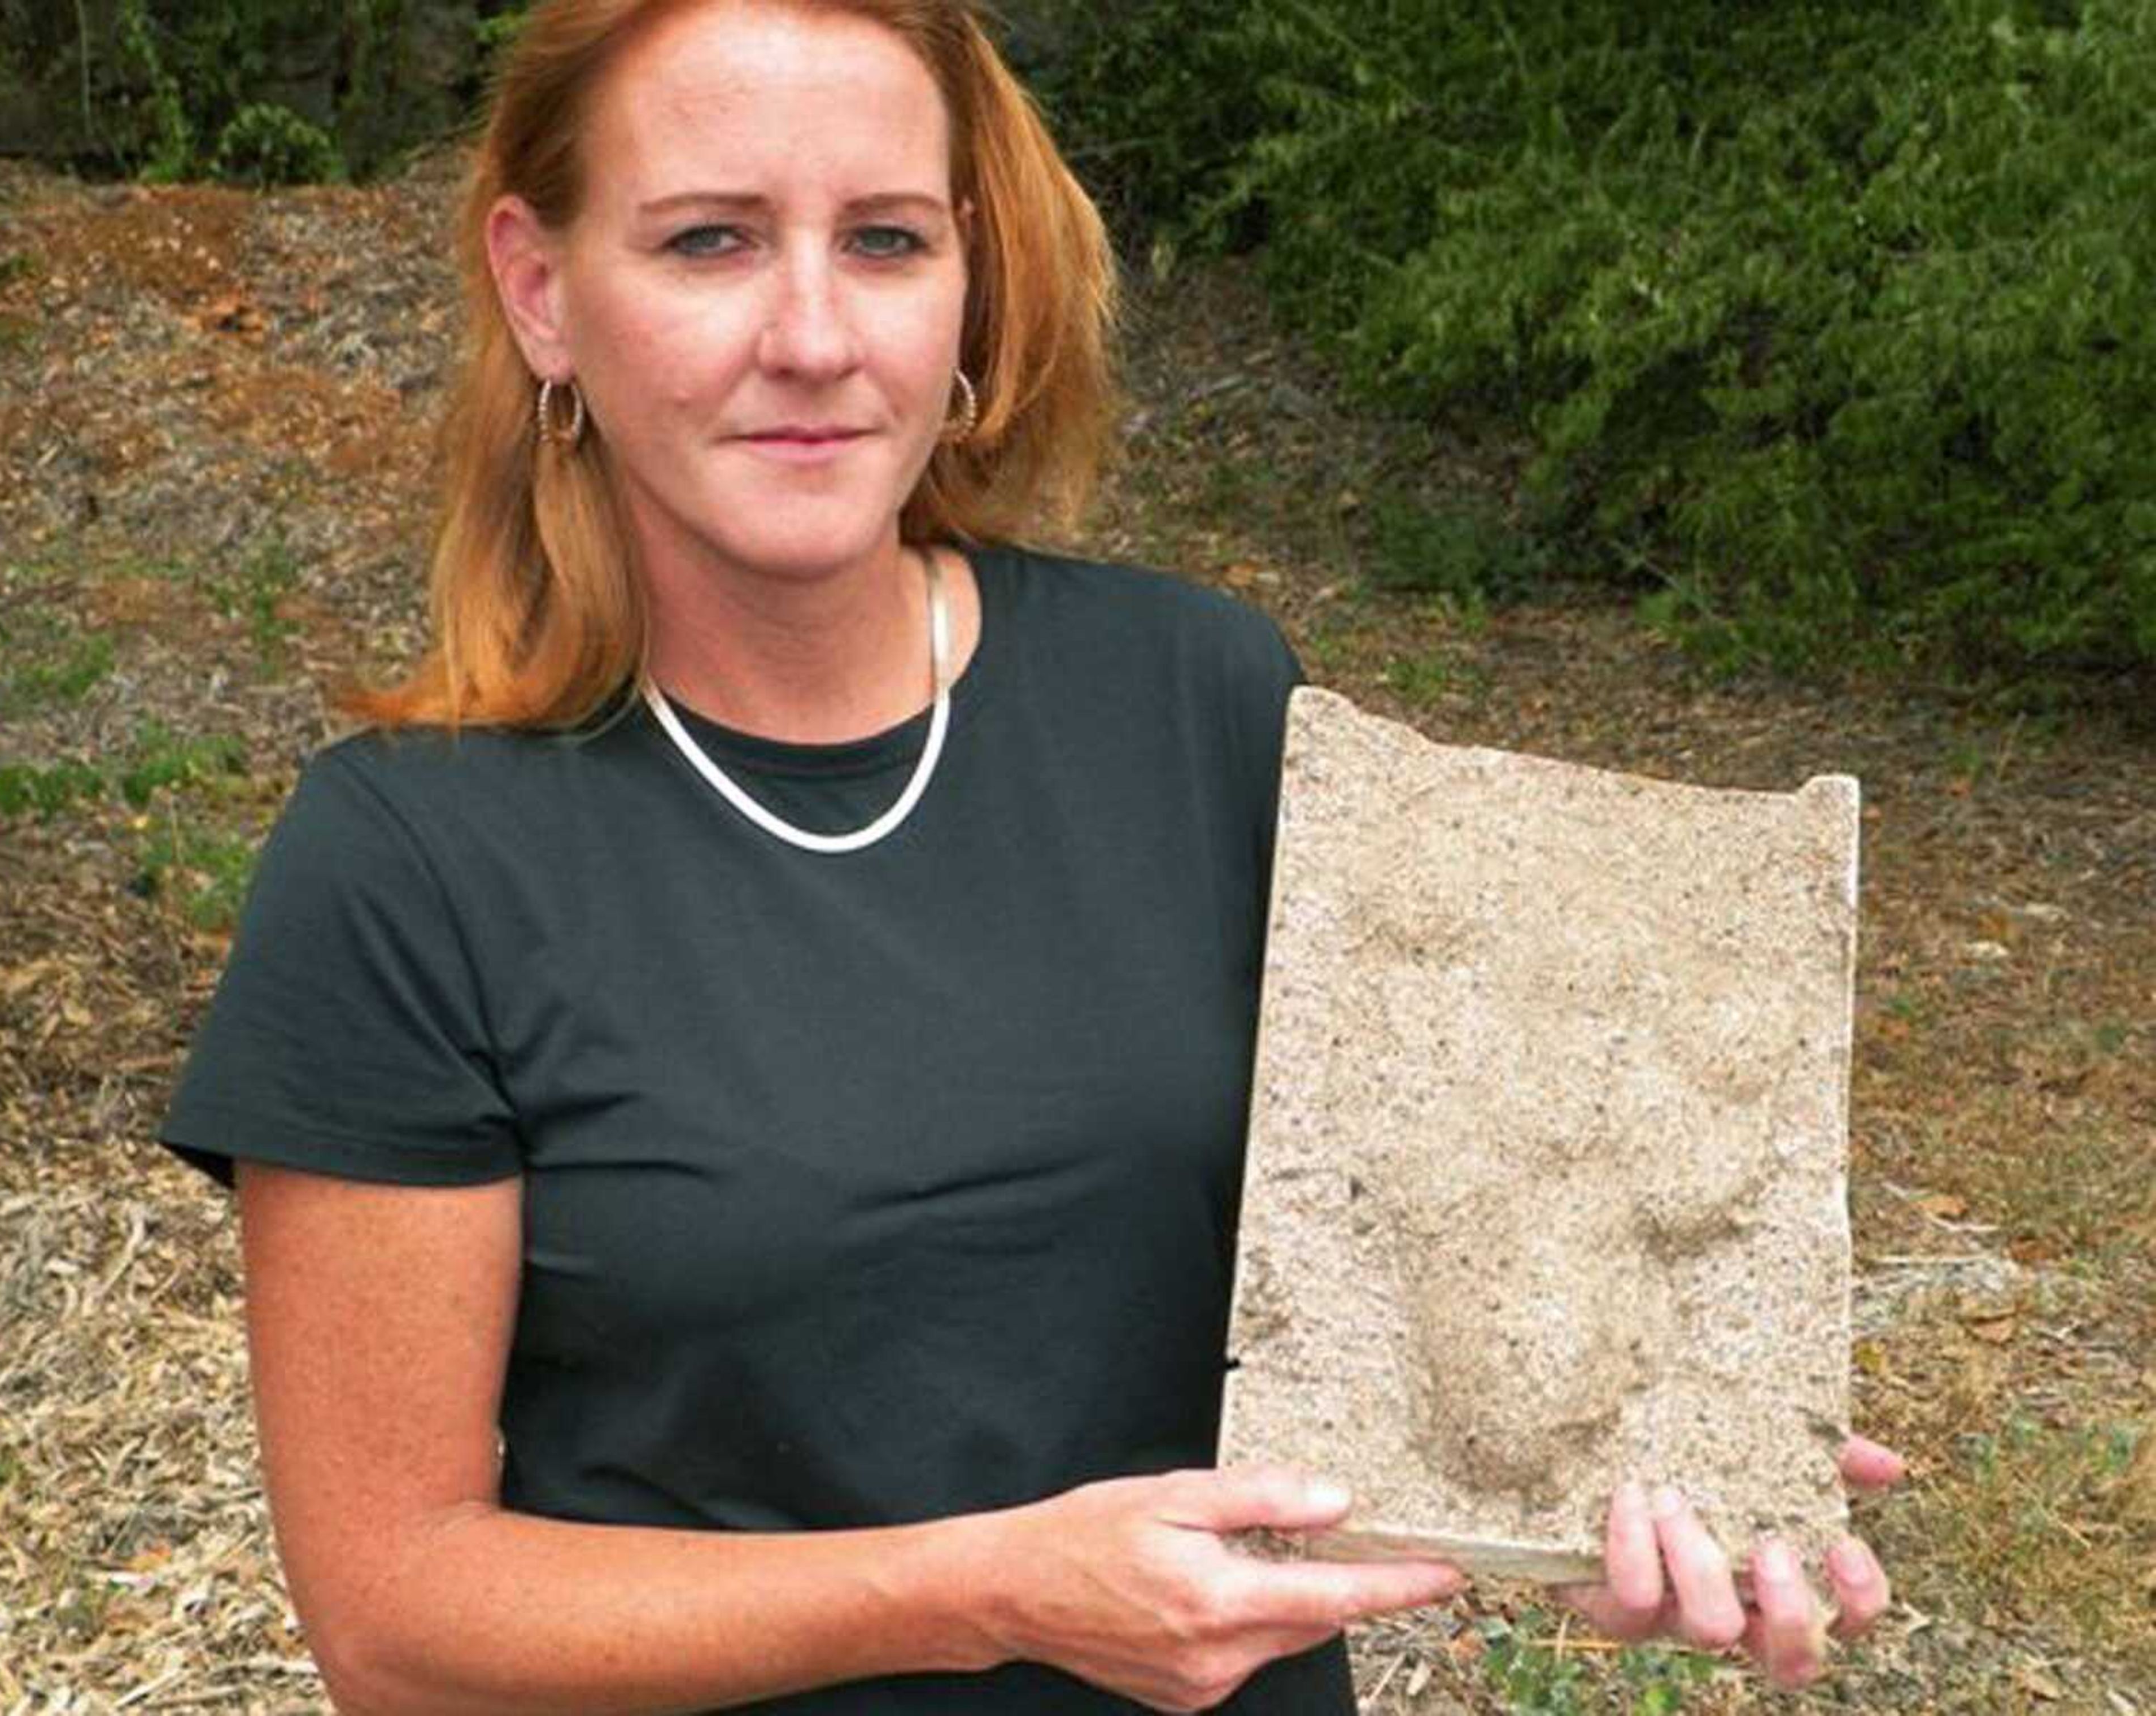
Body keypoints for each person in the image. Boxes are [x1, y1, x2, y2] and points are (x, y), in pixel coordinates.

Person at [155, 2, 1900, 1711]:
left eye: (889, 241)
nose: (817, 334)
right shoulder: (410, 862)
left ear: (970, 283)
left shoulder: (1200, 699)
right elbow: (397, 1613)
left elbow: (1453, 1219)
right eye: (709, 243)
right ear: (543, 291)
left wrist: (1662, 1436)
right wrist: (985, 1596)